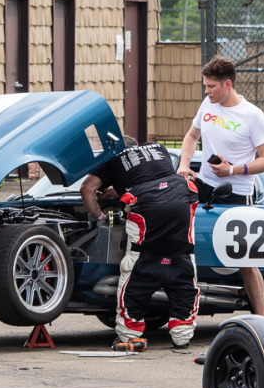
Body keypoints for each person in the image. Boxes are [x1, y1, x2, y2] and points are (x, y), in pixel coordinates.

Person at [176, 56, 264, 315]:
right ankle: (186, 310)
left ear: (227, 84)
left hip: (237, 194)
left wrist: (232, 169)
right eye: (205, 86)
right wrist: (184, 165)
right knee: (186, 247)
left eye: (211, 86)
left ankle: (261, 319)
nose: (206, 91)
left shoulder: (252, 115)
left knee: (246, 262)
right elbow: (191, 135)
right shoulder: (208, 105)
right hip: (205, 186)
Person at [80, 137, 199, 352]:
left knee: (140, 262)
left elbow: (87, 188)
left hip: (146, 205)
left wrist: (99, 217)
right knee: (182, 259)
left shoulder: (111, 159)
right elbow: (152, 179)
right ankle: (182, 337)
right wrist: (120, 189)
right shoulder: (159, 148)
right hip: (181, 196)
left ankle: (129, 336)